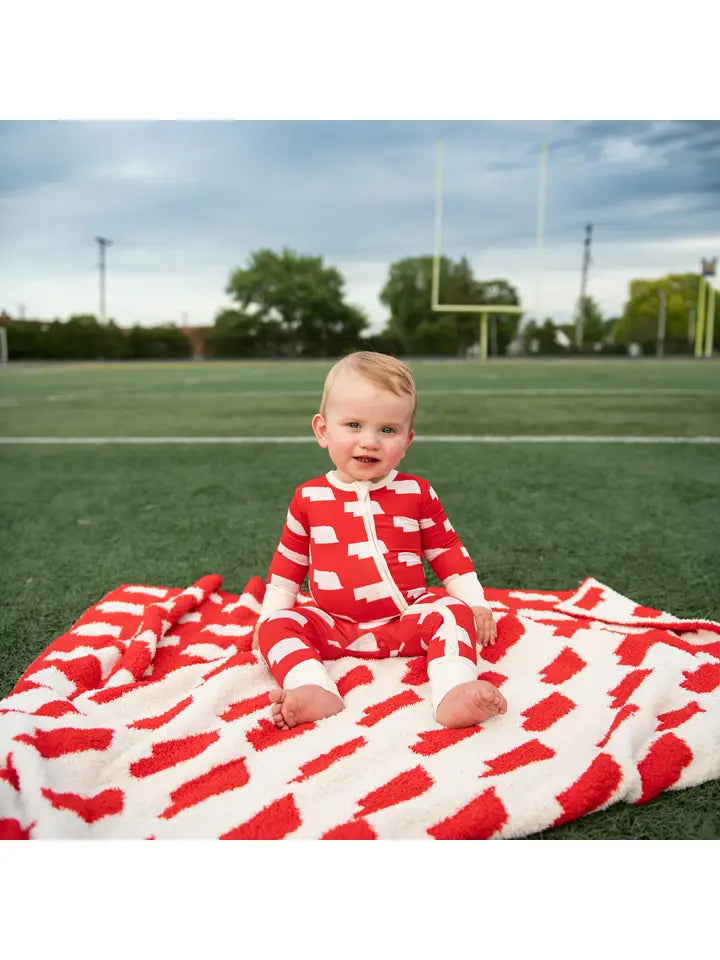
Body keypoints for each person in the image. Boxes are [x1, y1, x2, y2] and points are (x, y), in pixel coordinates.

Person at [254, 351, 507, 730]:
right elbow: (288, 565)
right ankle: (313, 688)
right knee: (276, 627)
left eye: (387, 430)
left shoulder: (415, 492)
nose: (369, 442)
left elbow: (447, 549)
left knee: (452, 613)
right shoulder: (309, 497)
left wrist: (475, 602)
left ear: (407, 440)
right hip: (332, 624)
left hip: (406, 619)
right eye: (354, 425)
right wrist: (269, 614)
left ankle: (454, 690)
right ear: (323, 430)